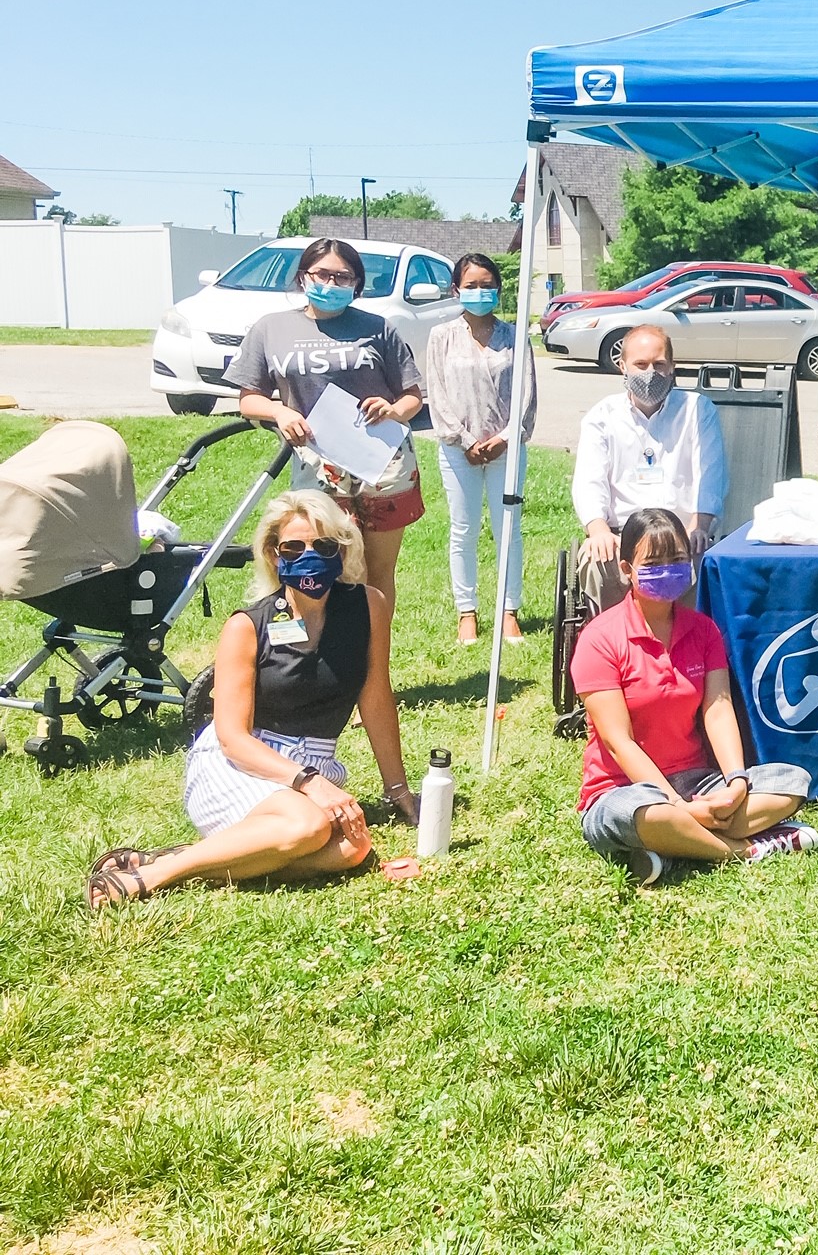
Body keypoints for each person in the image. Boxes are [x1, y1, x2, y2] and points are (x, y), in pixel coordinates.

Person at [86, 491, 418, 908]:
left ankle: (188, 860)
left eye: (324, 546)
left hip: (313, 761)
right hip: (242, 761)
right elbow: (232, 739)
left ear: (343, 550)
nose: (309, 556)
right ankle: (154, 875)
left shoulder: (368, 606)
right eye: (294, 547)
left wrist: (398, 788)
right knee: (309, 828)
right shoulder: (247, 626)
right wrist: (309, 783)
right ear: (273, 554)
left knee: (352, 850)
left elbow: (376, 697)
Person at [571, 507, 818, 883]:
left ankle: (675, 846)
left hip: (698, 782)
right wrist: (675, 805)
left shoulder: (703, 631)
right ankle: (742, 849)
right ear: (626, 570)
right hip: (624, 789)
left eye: (678, 559)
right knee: (648, 815)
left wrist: (735, 783)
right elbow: (618, 742)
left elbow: (717, 710)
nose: (668, 569)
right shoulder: (599, 639)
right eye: (653, 562)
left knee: (792, 781)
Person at [227, 238, 425, 614]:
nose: (332, 284)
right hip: (317, 464)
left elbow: (413, 396)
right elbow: (248, 399)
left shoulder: (378, 328)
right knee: (327, 565)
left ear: (356, 283)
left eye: (343, 276)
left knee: (378, 572)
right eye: (323, 274)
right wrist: (280, 413)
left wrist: (394, 409)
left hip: (382, 460)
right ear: (304, 276)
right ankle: (331, 659)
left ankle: (374, 666)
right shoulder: (271, 328)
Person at [572, 322, 726, 612]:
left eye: (659, 364)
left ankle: (688, 643)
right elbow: (589, 480)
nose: (650, 373)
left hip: (682, 537)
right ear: (623, 366)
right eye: (640, 364)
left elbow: (711, 472)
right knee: (596, 561)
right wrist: (598, 529)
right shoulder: (601, 417)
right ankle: (612, 642)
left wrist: (700, 525)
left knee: (705, 562)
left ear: (672, 367)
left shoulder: (698, 410)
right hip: (622, 537)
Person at [424, 252, 538, 646]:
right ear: (456, 290)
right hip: (459, 451)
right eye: (471, 285)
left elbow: (526, 393)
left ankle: (509, 611)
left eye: (487, 285)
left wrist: (506, 436)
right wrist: (466, 441)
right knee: (463, 530)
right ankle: (467, 612)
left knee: (509, 530)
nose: (480, 292)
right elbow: (436, 395)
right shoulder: (441, 337)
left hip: (506, 448)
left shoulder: (515, 335)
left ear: (499, 289)